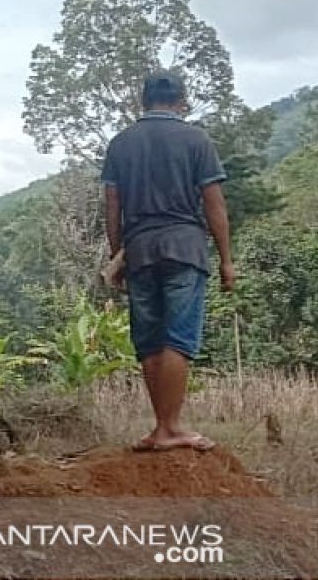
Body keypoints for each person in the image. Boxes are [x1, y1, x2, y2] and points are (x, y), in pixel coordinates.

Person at [102, 70, 235, 452]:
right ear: (181, 100)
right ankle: (169, 427)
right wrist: (227, 260)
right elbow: (214, 204)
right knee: (177, 337)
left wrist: (117, 256)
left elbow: (113, 206)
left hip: (140, 250)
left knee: (149, 339)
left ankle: (160, 428)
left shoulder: (121, 143)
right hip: (185, 248)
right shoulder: (196, 139)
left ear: (142, 101)